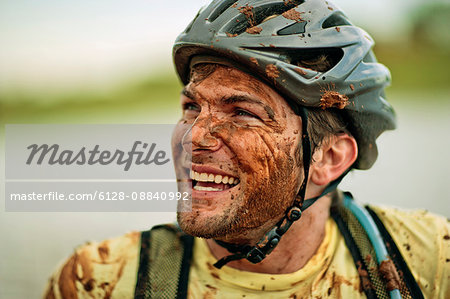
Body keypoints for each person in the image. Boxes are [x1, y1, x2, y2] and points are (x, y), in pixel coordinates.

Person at [44, 0, 449, 298]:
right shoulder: (100, 280)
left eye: (242, 112)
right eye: (191, 107)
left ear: (328, 158)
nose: (194, 136)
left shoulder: (428, 259)